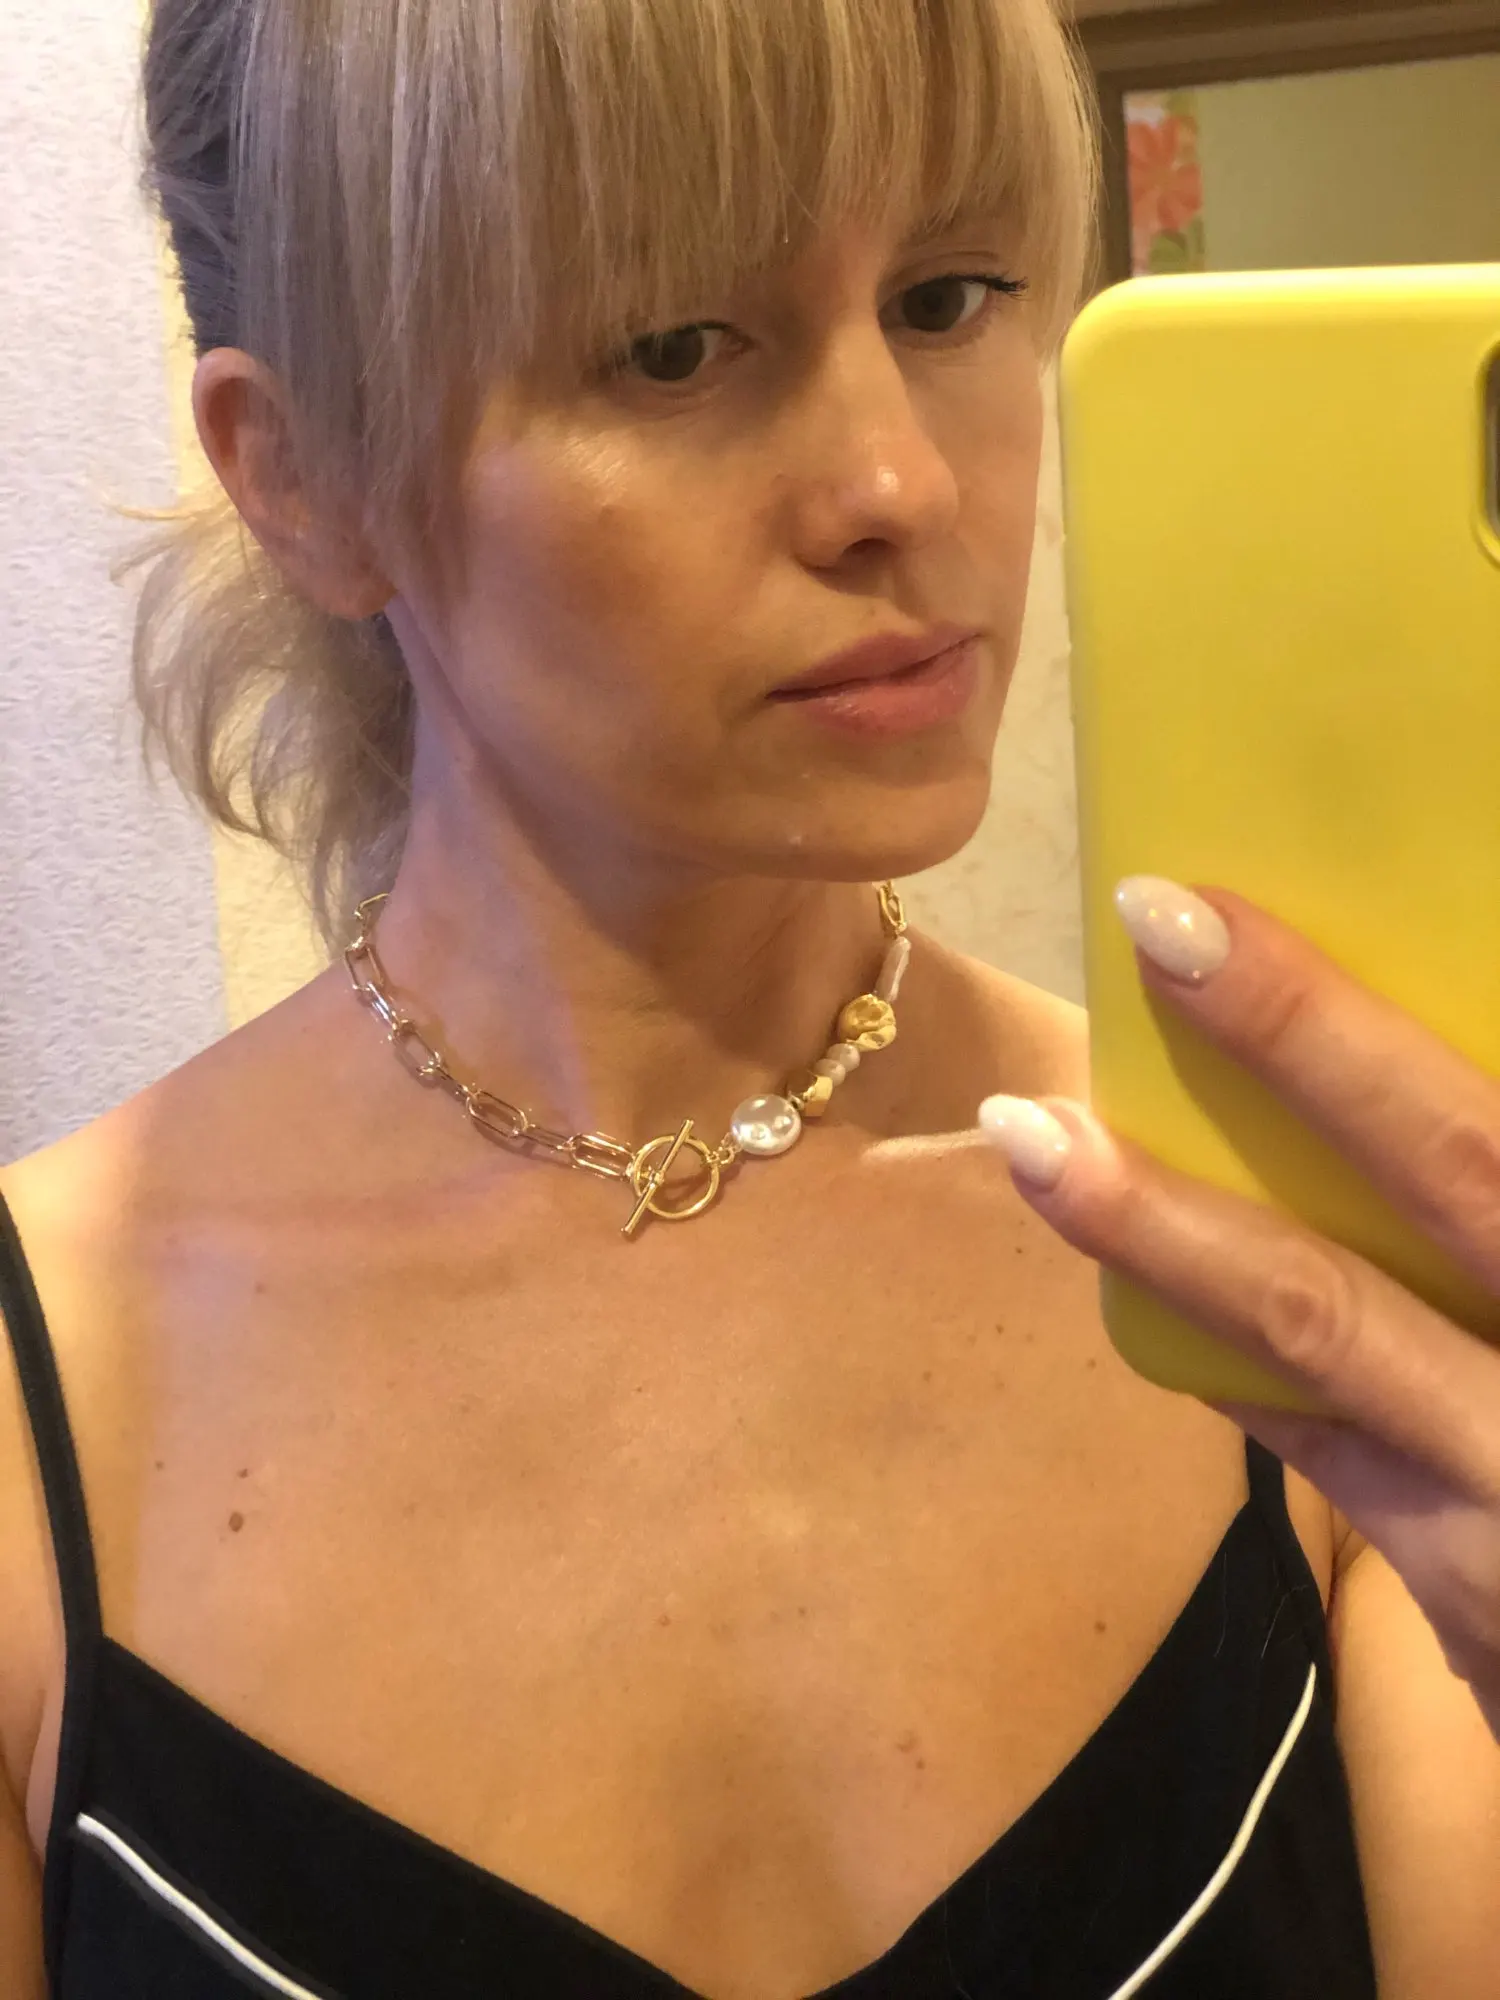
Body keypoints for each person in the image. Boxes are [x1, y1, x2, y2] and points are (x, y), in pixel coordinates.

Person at [1, 1, 1496, 1995]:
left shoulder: (1300, 1290)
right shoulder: (38, 1418)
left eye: (951, 297)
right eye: (673, 344)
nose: (900, 482)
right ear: (308, 474)